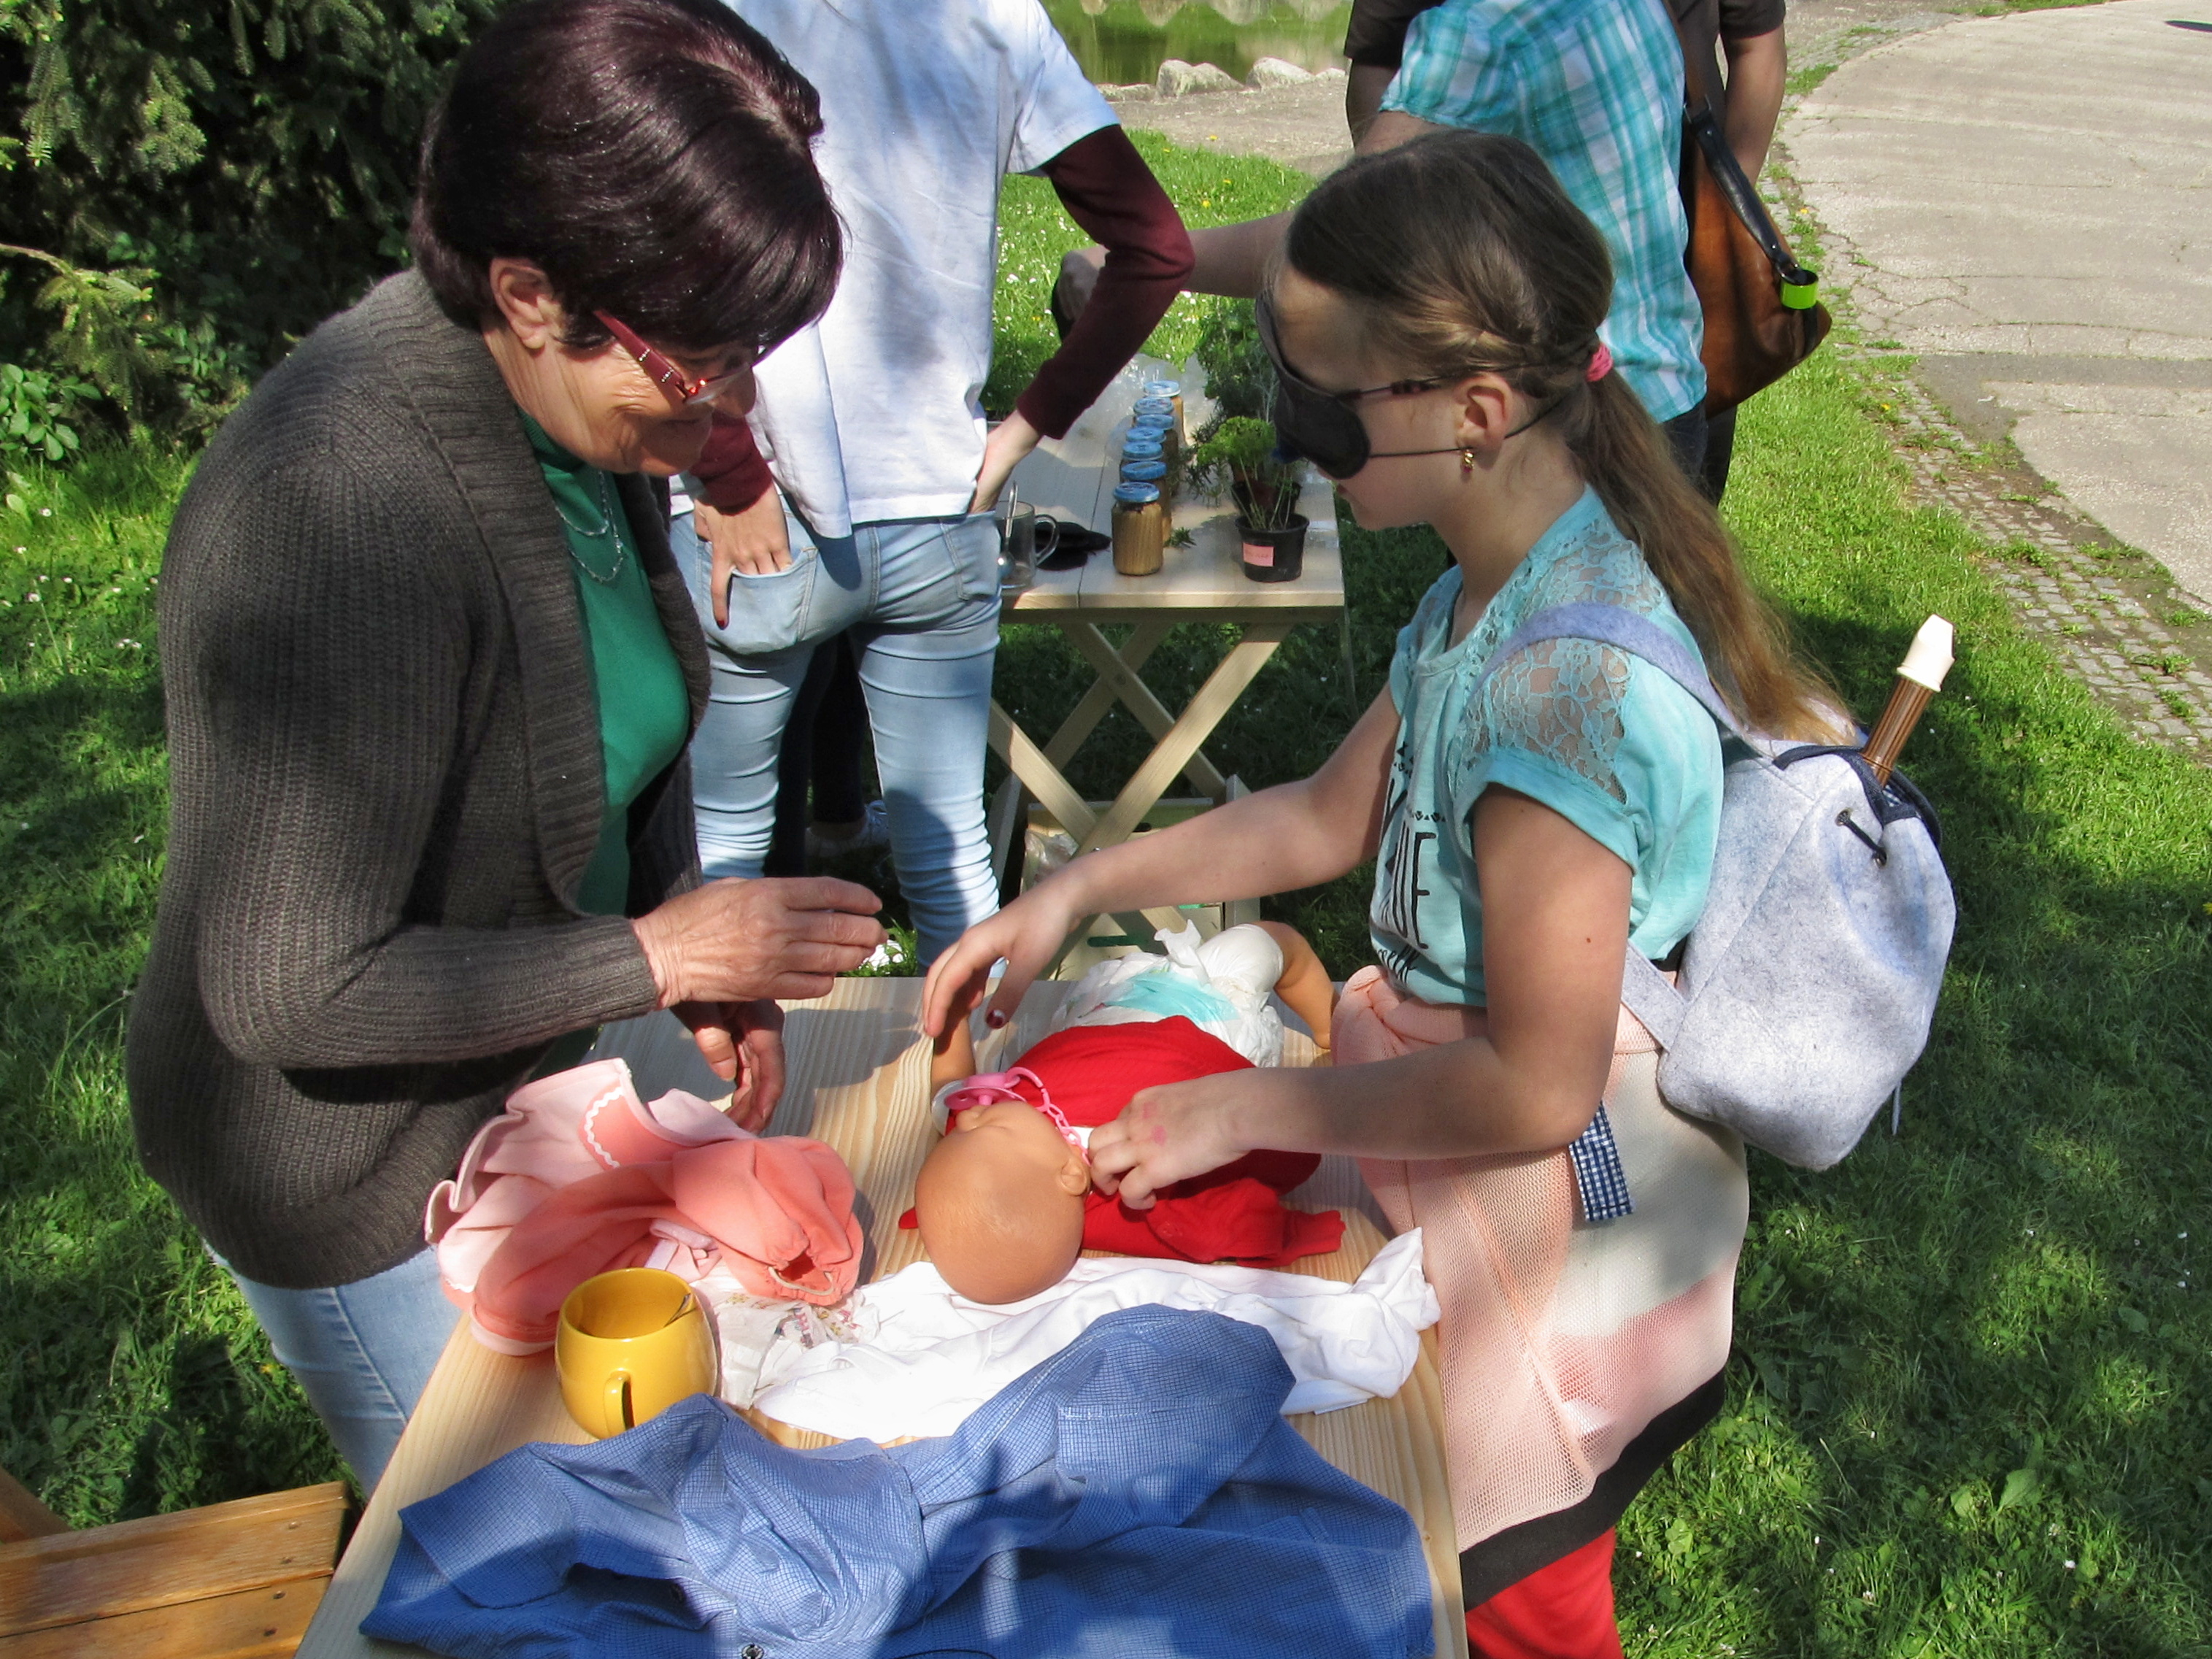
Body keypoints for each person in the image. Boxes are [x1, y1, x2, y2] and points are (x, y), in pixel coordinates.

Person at [928, 132, 1849, 1658]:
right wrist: (1079, 882)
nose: (1296, 443)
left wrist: (1248, 1106)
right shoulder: (1484, 588)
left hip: (1543, 1226)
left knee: (1505, 1589)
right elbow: (1324, 812)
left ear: (1473, 412)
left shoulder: (1562, 692)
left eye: (1320, 405)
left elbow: (1539, 1082)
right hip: (1455, 1157)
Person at [125, 0, 887, 1493]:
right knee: (522, 1539)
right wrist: (655, 954)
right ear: (532, 292)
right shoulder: (338, 506)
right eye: (704, 358)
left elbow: (609, 725)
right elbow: (287, 985)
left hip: (509, 1098)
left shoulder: (577, 418)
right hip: (351, 1174)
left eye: (751, 351)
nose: (736, 401)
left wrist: (687, 943)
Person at [672, 0, 1194, 962]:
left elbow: (645, 257)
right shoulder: (999, 18)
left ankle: (727, 1066)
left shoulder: (716, 13)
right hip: (940, 505)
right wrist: (1026, 426)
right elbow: (1157, 245)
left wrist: (730, 470)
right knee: (951, 859)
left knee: (722, 867)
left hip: (763, 512)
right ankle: (976, 1063)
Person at [1061, 0, 1712, 482]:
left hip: (1561, 438)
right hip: (1663, 396)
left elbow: (1339, 239)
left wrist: (1141, 264)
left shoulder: (1479, 33)